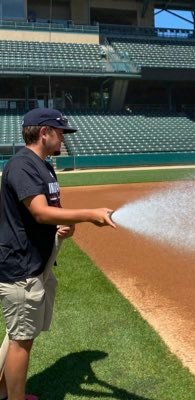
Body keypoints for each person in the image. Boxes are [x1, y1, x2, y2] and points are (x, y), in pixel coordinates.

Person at [0, 108, 116, 400]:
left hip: (38, 263)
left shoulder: (45, 166)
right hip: (21, 266)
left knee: (21, 336)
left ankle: (5, 390)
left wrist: (65, 225)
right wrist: (89, 214)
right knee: (20, 341)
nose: (64, 137)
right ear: (44, 133)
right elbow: (39, 212)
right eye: (60, 132)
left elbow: (51, 213)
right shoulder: (23, 165)